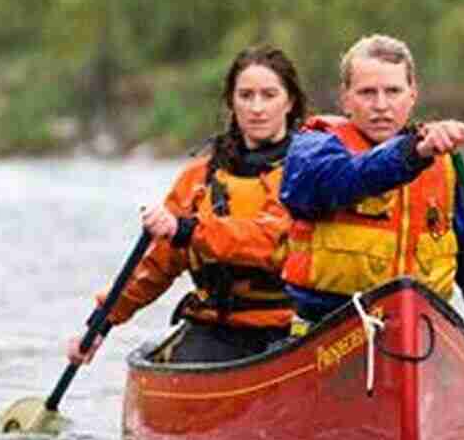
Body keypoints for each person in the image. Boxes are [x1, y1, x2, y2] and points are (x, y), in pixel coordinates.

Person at [279, 34, 464, 388]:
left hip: (423, 342)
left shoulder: (449, 173)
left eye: (393, 92)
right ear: (345, 99)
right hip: (325, 337)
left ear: (413, 95)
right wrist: (412, 153)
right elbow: (346, 179)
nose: (381, 105)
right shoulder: (313, 151)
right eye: (367, 93)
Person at [67, 44, 307, 366]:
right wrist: (101, 323)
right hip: (218, 328)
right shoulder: (198, 179)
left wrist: (188, 229)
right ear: (231, 103)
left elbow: (271, 239)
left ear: (289, 102)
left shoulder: (310, 169)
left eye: (269, 95)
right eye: (246, 96)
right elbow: (156, 265)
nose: (257, 108)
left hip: (292, 328)